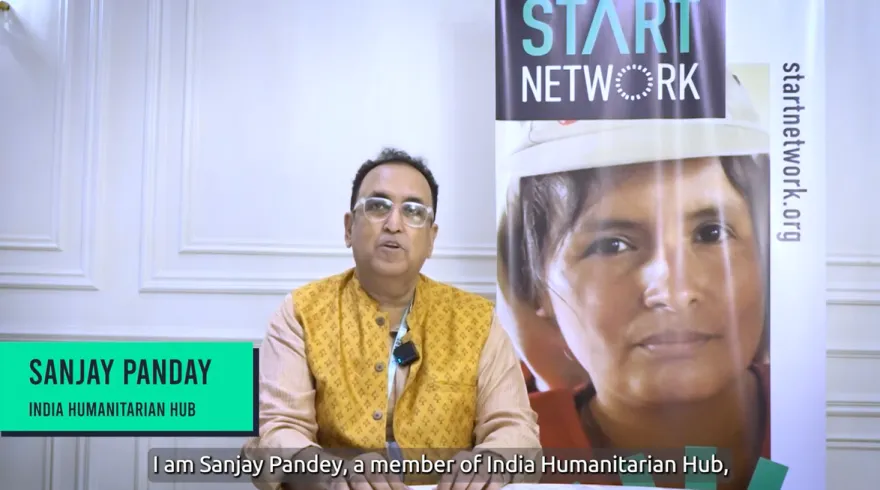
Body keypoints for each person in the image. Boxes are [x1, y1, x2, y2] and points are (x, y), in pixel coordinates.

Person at [496, 72, 771, 489]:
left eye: (711, 233)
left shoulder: (822, 416)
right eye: (611, 245)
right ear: (537, 288)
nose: (673, 293)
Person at [244, 148, 541, 490]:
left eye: (413, 211)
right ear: (348, 228)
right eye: (377, 206)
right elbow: (279, 433)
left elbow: (516, 429)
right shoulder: (300, 313)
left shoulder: (477, 321)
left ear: (431, 238)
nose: (394, 224)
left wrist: (492, 461)